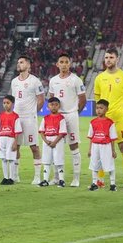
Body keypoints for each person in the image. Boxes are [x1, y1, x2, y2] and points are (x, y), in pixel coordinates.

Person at [94, 48, 123, 189]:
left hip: (119, 118)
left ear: (117, 59)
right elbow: (98, 98)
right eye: (106, 57)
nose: (108, 60)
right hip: (105, 119)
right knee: (101, 148)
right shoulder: (99, 78)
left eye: (111, 57)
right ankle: (100, 179)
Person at [48, 53, 86, 187]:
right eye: (61, 62)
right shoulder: (53, 80)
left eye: (66, 62)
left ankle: (76, 178)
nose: (64, 64)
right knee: (56, 146)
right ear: (57, 64)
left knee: (73, 145)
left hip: (70, 115)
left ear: (69, 64)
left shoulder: (76, 80)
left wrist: (75, 112)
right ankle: (56, 177)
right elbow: (51, 99)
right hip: (57, 117)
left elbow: (83, 99)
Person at [11, 55, 44, 184]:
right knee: (16, 146)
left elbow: (41, 100)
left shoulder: (35, 81)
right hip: (17, 119)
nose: (19, 64)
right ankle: (15, 175)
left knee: (34, 147)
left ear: (29, 65)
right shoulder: (14, 82)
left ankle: (37, 177)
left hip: (30, 118)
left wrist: (32, 112)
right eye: (18, 62)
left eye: (22, 62)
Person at [87, 100, 118, 191]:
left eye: (101, 108)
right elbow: (91, 137)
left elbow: (112, 138)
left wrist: (113, 150)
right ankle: (94, 183)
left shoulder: (110, 122)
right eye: (97, 108)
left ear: (106, 109)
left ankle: (113, 184)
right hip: (95, 146)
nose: (98, 110)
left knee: (110, 165)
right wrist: (90, 149)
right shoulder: (93, 122)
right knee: (94, 165)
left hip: (106, 146)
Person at [38, 97, 67, 187]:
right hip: (47, 140)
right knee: (46, 161)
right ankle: (45, 180)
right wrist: (46, 141)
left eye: (56, 105)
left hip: (57, 141)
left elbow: (62, 133)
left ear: (59, 106)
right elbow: (41, 131)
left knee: (59, 160)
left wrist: (54, 142)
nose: (54, 107)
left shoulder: (61, 118)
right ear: (48, 106)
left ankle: (61, 180)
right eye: (51, 105)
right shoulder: (45, 118)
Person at [0, 95, 22, 185]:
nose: (6, 105)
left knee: (11, 159)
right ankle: (5, 177)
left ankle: (11, 178)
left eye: (8, 103)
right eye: (4, 103)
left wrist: (15, 143)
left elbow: (17, 131)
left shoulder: (15, 116)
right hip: (2, 138)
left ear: (12, 104)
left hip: (11, 139)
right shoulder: (0, 116)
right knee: (3, 159)